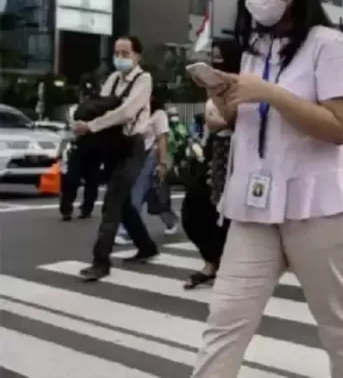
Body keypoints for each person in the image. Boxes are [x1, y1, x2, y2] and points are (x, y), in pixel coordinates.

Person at [188, 0, 343, 378]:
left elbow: (339, 128)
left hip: (319, 206)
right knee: (225, 319)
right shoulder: (257, 49)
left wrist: (271, 93)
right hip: (255, 204)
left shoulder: (329, 44)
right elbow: (252, 125)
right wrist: (229, 99)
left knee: (336, 322)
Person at [71, 35, 158, 282]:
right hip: (111, 146)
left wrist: (91, 126)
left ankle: (101, 261)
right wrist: (83, 121)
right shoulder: (112, 79)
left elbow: (126, 112)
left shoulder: (144, 79)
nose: (120, 58)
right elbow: (100, 104)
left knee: (112, 201)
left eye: (125, 53)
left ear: (137, 56)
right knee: (122, 202)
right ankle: (146, 246)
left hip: (132, 146)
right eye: (117, 53)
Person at [116, 86, 180, 244]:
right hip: (133, 156)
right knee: (154, 197)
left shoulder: (159, 115)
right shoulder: (135, 114)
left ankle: (126, 231)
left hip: (150, 156)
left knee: (135, 192)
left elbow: (162, 138)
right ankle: (170, 219)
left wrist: (162, 164)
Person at [180, 98, 231, 290]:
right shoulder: (217, 91)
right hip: (214, 154)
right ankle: (212, 260)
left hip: (239, 154)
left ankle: (218, 265)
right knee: (192, 213)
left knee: (226, 218)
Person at [59, 75, 102, 221]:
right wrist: (60, 151)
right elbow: (70, 130)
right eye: (86, 93)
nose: (88, 96)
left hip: (95, 147)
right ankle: (66, 209)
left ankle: (87, 208)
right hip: (78, 146)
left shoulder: (101, 109)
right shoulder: (73, 110)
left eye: (90, 93)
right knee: (72, 179)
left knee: (92, 180)